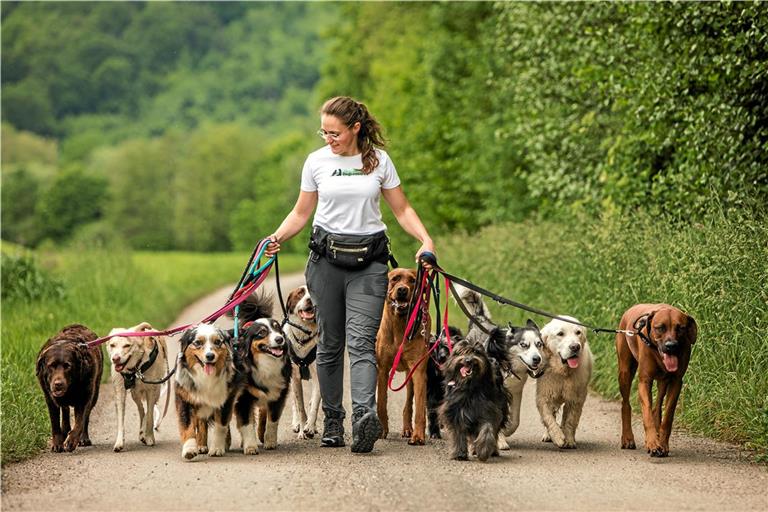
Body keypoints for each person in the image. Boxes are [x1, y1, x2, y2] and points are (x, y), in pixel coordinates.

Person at [264, 96, 435, 453]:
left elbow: (401, 209)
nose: (328, 138)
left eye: (334, 132)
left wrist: (425, 240)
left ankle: (363, 419)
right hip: (325, 263)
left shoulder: (379, 161)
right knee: (329, 344)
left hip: (369, 264)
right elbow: (301, 212)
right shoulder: (316, 162)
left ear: (355, 128)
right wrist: (276, 237)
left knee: (361, 344)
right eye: (323, 132)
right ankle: (332, 421)